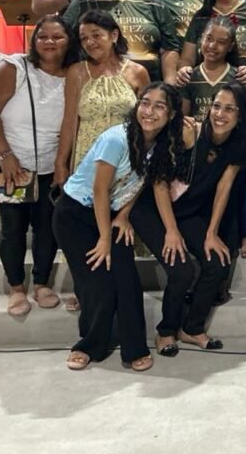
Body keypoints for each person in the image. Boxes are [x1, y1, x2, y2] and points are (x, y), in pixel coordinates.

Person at [52, 82, 188, 372]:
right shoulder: (116, 139)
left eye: (159, 106)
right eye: (145, 102)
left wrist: (124, 215)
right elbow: (100, 190)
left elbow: (138, 184)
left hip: (111, 214)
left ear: (171, 114)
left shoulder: (162, 144)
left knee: (127, 281)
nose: (149, 111)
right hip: (76, 215)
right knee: (98, 284)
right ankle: (88, 345)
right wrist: (104, 238)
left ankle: (134, 347)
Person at [126, 82, 246, 356]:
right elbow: (159, 182)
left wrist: (211, 233)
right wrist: (171, 231)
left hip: (187, 211)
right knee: (181, 271)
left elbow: (224, 188)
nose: (220, 114)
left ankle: (192, 328)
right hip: (152, 208)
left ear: (241, 116)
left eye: (229, 109)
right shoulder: (189, 132)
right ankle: (166, 331)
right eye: (216, 106)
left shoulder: (240, 144)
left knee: (218, 262)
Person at [0, 15, 73, 316]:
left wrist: (63, 162)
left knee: (47, 228)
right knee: (13, 228)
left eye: (57, 37)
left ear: (69, 41)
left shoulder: (74, 75)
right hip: (9, 164)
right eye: (42, 36)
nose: (49, 42)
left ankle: (42, 283)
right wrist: (5, 156)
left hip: (50, 165)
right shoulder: (13, 68)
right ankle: (16, 287)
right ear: (33, 41)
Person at [55, 10, 149, 184]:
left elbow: (146, 122)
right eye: (84, 38)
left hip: (126, 159)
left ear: (114, 35)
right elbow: (69, 121)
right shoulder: (77, 72)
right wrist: (60, 164)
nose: (90, 42)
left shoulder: (138, 73)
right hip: (87, 159)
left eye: (96, 35)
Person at [180, 17, 238, 121]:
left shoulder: (237, 77)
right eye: (209, 39)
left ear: (230, 46)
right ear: (202, 38)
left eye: (221, 42)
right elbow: (183, 118)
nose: (212, 46)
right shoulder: (188, 77)